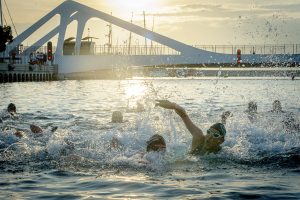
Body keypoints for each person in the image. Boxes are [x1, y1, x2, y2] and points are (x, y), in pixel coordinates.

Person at [155, 100, 230, 155]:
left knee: (221, 127)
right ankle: (223, 119)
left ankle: (223, 120)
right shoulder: (198, 137)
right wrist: (173, 105)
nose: (209, 137)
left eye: (215, 135)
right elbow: (184, 115)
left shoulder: (221, 153)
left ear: (221, 141)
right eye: (208, 132)